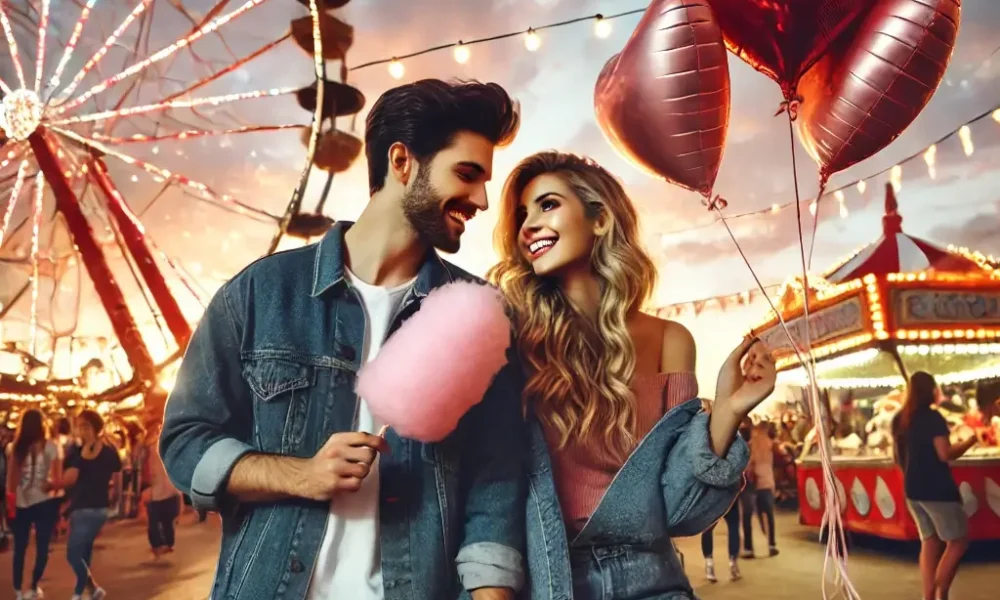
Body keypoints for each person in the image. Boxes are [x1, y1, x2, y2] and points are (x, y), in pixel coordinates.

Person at [160, 78, 526, 600]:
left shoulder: (483, 316)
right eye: (466, 175)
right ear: (402, 162)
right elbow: (185, 442)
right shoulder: (261, 294)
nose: (482, 200)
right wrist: (300, 475)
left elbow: (495, 486)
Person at [488, 151, 776, 599]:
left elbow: (681, 513)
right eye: (522, 213)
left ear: (599, 219)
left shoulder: (670, 339)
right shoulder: (510, 338)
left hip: (655, 581)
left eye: (547, 205)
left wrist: (729, 411)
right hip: (549, 580)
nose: (528, 224)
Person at [892, 372, 979, 600]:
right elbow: (945, 454)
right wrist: (971, 441)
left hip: (913, 489)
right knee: (958, 541)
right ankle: (940, 592)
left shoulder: (901, 418)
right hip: (937, 489)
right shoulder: (932, 418)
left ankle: (927, 596)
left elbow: (897, 457)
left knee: (930, 541)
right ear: (931, 390)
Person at [63, 409, 122, 600]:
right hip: (79, 507)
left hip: (97, 508)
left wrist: (117, 498)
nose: (82, 431)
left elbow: (118, 474)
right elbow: (68, 480)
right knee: (84, 553)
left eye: (86, 426)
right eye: (79, 427)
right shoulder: (74, 451)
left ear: (96, 428)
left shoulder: (108, 452)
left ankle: (92, 589)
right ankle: (82, 593)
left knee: (72, 554)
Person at [6, 409, 62, 600]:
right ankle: (33, 586)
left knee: (20, 547)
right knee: (42, 545)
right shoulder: (51, 447)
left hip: (21, 502)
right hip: (44, 501)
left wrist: (10, 504)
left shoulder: (15, 447)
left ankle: (18, 591)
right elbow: (57, 479)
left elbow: (11, 480)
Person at [144, 425, 181, 558]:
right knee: (154, 520)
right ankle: (157, 546)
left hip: (170, 489)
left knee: (167, 520)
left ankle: (166, 545)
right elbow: (145, 469)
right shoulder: (149, 447)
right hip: (155, 490)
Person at [746, 420, 779, 557]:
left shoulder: (751, 444)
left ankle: (750, 549)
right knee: (769, 514)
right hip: (768, 482)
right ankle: (771, 544)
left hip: (756, 483)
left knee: (752, 515)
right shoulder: (770, 443)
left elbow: (749, 465)